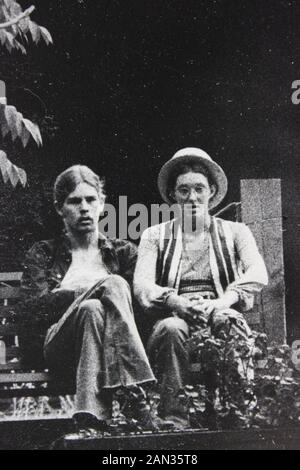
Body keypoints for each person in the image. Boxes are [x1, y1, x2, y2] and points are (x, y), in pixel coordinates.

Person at [20, 164, 168, 433]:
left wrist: (81, 297)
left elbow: (142, 311)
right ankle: (136, 395)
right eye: (74, 201)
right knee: (111, 284)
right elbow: (31, 312)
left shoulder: (124, 253)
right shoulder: (43, 253)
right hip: (59, 350)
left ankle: (90, 417)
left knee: (91, 309)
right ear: (59, 208)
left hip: (104, 353)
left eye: (91, 199)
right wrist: (80, 292)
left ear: (102, 203)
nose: (84, 208)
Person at [134, 147, 268, 428]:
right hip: (174, 318)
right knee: (171, 329)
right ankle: (175, 421)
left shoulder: (235, 232)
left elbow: (258, 272)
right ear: (173, 195)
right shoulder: (154, 236)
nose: (192, 197)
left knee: (228, 322)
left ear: (212, 191)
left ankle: (237, 415)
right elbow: (141, 284)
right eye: (183, 190)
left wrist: (223, 301)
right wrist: (175, 302)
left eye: (199, 189)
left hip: (219, 312)